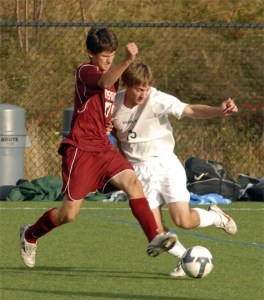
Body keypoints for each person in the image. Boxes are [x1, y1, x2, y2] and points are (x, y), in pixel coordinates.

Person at [19, 28, 177, 268]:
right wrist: (126, 60)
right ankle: (30, 234)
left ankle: (154, 237)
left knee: (133, 184)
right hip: (81, 149)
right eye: (104, 55)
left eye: (113, 54)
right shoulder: (86, 71)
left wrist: (107, 124)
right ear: (90, 54)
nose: (109, 59)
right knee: (68, 214)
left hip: (103, 148)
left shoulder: (112, 77)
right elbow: (104, 82)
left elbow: (104, 104)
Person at [111, 61, 238, 277]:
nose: (143, 94)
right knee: (156, 232)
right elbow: (116, 137)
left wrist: (218, 110)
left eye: (146, 88)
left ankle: (216, 217)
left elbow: (189, 110)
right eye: (138, 89)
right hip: (139, 172)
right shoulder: (113, 106)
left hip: (166, 164)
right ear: (126, 85)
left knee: (183, 220)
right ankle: (184, 259)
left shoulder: (156, 99)